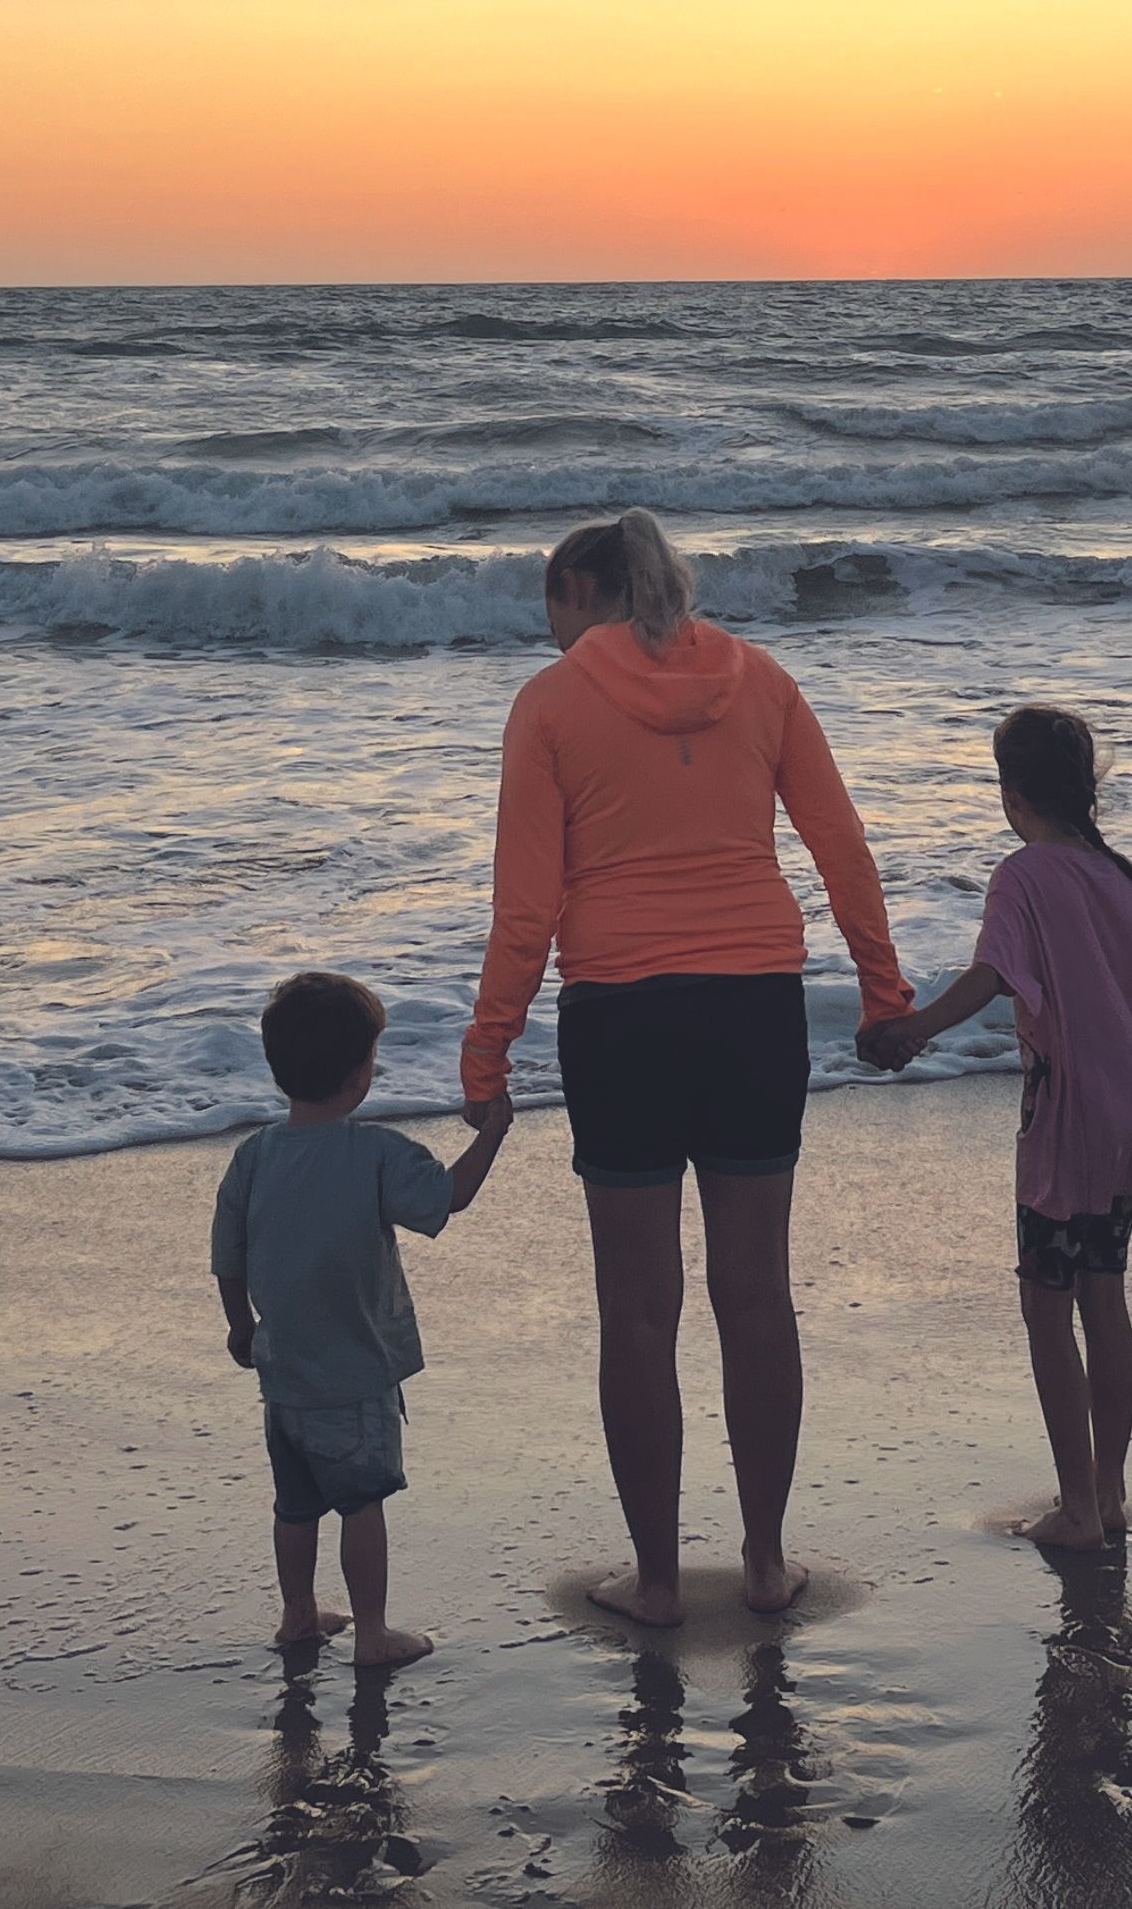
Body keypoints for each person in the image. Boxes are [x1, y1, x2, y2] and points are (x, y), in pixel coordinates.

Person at [463, 510, 911, 1625]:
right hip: (755, 1005)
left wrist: (489, 1049)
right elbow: (840, 844)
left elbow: (528, 906)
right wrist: (883, 988)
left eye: (551, 611)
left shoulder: (551, 704)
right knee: (757, 1296)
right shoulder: (761, 681)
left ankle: (658, 1581)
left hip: (620, 1014)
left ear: (580, 591)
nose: (551, 635)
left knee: (638, 1310)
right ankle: (763, 1564)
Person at [858, 705, 1132, 1550]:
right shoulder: (1124, 875)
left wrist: (910, 1031)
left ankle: (1078, 1510)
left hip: (1067, 1120)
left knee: (1047, 1307)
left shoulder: (1025, 876)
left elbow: (992, 977)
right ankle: (1112, 1492)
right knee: (1106, 1295)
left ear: (1011, 793)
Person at [213, 970, 503, 1669]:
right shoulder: (374, 1153)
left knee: (295, 1505)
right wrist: (493, 1132)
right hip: (356, 1370)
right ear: (359, 1075)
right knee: (362, 1501)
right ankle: (372, 1632)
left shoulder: (255, 1155)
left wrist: (239, 1327)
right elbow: (448, 1198)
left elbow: (229, 1254)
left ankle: (298, 1615)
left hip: (282, 1373)